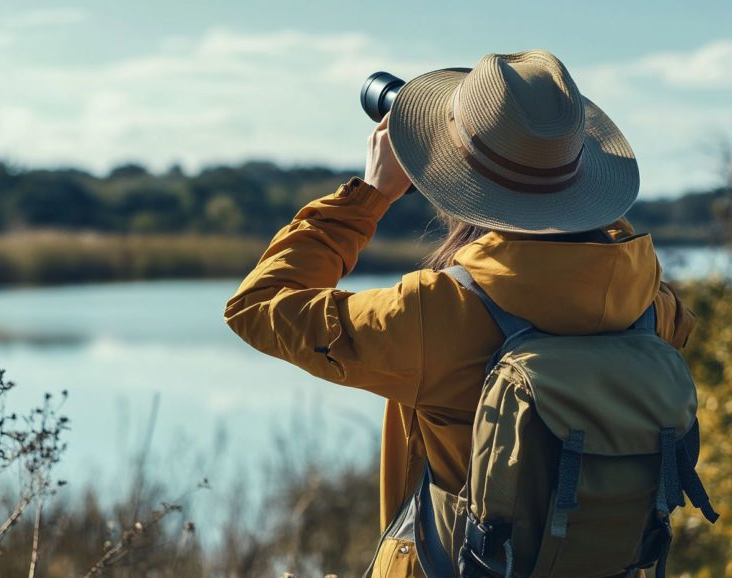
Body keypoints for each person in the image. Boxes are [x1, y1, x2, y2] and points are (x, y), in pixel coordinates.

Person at [224, 50, 695, 577]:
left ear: (454, 176)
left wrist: (371, 196)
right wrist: (570, 196)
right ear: (580, 170)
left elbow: (257, 306)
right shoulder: (652, 305)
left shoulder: (436, 310)